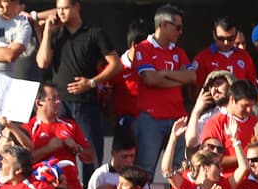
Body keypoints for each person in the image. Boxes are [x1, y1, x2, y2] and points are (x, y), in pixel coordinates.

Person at [34, 0, 121, 163]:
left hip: (85, 103)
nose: (61, 12)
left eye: (65, 8)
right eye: (59, 9)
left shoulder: (94, 33)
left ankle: (92, 188)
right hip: (59, 104)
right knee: (59, 151)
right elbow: (42, 62)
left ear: (76, 7)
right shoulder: (56, 33)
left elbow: (116, 64)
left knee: (90, 153)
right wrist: (46, 31)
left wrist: (92, 82)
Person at [133, 5, 195, 175]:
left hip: (177, 118)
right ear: (164, 25)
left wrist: (165, 74)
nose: (181, 32)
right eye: (178, 27)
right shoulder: (143, 48)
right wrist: (178, 78)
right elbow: (150, 79)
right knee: (145, 170)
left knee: (179, 170)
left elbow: (191, 77)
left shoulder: (179, 52)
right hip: (151, 118)